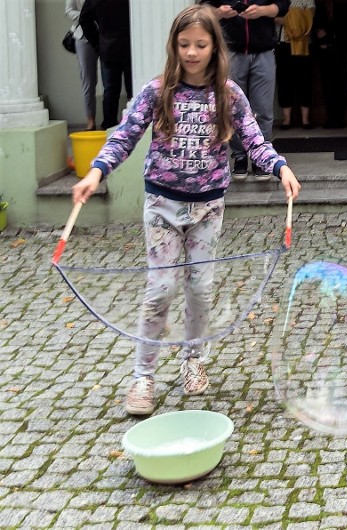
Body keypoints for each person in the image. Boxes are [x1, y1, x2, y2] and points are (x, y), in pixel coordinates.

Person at [71, 4, 301, 416]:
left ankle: (193, 359)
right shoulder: (157, 91)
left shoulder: (229, 95)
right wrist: (96, 173)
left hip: (208, 209)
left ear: (215, 48)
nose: (191, 52)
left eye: (200, 44)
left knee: (199, 288)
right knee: (160, 289)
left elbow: (254, 140)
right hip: (162, 204)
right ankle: (143, 376)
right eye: (184, 44)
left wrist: (279, 167)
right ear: (173, 47)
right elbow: (124, 136)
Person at [201, 0, 289, 180]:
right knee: (231, 107)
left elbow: (282, 7)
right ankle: (239, 156)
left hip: (264, 50)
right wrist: (220, 12)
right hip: (231, 51)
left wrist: (262, 10)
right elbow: (203, 8)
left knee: (263, 109)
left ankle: (261, 158)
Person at [79, 0, 132, 129]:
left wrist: (97, 43)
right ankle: (134, 124)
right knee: (133, 89)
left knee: (110, 90)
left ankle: (109, 126)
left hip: (108, 47)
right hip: (130, 46)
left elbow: (84, 20)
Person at [275, 0, 316, 130]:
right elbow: (273, 18)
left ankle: (306, 119)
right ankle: (286, 120)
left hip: (304, 45)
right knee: (284, 81)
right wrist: (295, 18)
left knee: (305, 81)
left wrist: (289, 19)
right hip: (283, 44)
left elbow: (309, 17)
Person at [313, 0, 347, 128]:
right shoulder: (320, 3)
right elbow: (316, 26)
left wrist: (327, 33)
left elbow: (345, 24)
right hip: (324, 49)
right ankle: (330, 116)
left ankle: (340, 117)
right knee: (327, 84)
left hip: (342, 48)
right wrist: (323, 38)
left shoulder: (345, 3)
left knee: (341, 83)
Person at [65, 0, 99, 131]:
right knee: (88, 79)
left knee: (111, 78)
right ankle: (90, 119)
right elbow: (68, 11)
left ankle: (111, 119)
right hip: (83, 36)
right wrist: (85, 15)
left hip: (105, 33)